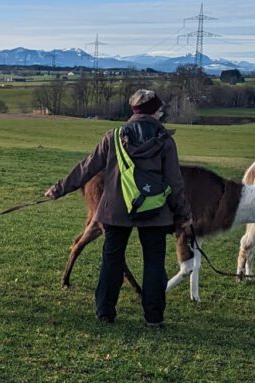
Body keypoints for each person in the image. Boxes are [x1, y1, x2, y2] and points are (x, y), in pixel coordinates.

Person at [43, 89, 190, 328]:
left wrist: (59, 188)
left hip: (116, 210)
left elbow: (87, 167)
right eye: (160, 109)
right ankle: (154, 317)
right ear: (153, 111)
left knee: (111, 260)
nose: (162, 113)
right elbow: (175, 182)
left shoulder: (114, 137)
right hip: (155, 211)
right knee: (153, 263)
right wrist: (183, 214)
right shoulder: (165, 141)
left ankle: (105, 312)